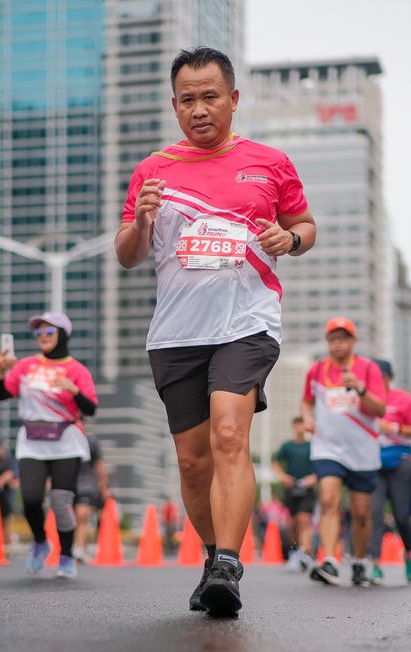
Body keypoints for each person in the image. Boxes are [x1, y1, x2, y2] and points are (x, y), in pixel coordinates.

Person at [115, 46, 316, 616]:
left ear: (233, 99)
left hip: (246, 322)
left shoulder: (269, 162)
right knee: (192, 460)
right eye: (187, 100)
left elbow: (305, 225)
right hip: (176, 332)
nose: (198, 109)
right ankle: (212, 558)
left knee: (230, 433)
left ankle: (228, 563)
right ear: (174, 105)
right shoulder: (153, 169)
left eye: (209, 97)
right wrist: (143, 220)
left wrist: (289, 240)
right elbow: (128, 254)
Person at [0, 311, 98, 578]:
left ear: (63, 334)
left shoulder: (77, 370)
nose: (42, 336)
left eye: (49, 331)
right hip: (32, 441)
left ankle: (66, 555)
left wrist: (73, 389)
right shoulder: (25, 365)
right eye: (38, 332)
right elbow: (1, 394)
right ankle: (40, 542)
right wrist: (1, 371)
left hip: (66, 441)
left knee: (61, 502)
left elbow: (91, 409)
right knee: (30, 499)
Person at [301, 317, 386, 587]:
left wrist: (360, 389)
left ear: (353, 341)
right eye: (333, 339)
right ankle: (329, 560)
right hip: (328, 448)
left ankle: (359, 562)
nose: (337, 344)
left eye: (343, 338)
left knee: (361, 514)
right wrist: (307, 418)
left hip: (362, 451)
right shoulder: (317, 370)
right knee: (328, 499)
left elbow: (380, 409)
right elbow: (306, 401)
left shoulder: (368, 368)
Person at [368, 359, 411, 584]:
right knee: (373, 513)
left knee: (402, 516)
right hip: (373, 462)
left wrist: (394, 428)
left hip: (400, 460)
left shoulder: (403, 398)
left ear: (389, 377)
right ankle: (375, 563)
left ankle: (409, 554)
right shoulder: (364, 400)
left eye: (381, 376)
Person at [272, 416, 317, 571]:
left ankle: (306, 553)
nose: (299, 428)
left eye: (302, 425)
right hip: (291, 489)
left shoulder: (311, 446)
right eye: (297, 425)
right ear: (293, 426)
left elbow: (319, 465)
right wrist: (284, 477)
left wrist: (312, 479)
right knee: (292, 523)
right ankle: (294, 552)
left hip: (307, 489)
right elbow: (275, 462)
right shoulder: (287, 446)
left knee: (304, 520)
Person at [72, 427, 109, 563]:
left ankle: (79, 549)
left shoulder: (91, 442)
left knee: (82, 517)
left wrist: (104, 486)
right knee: (74, 520)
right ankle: (78, 547)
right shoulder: (67, 442)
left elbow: (99, 465)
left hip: (88, 486)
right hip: (70, 485)